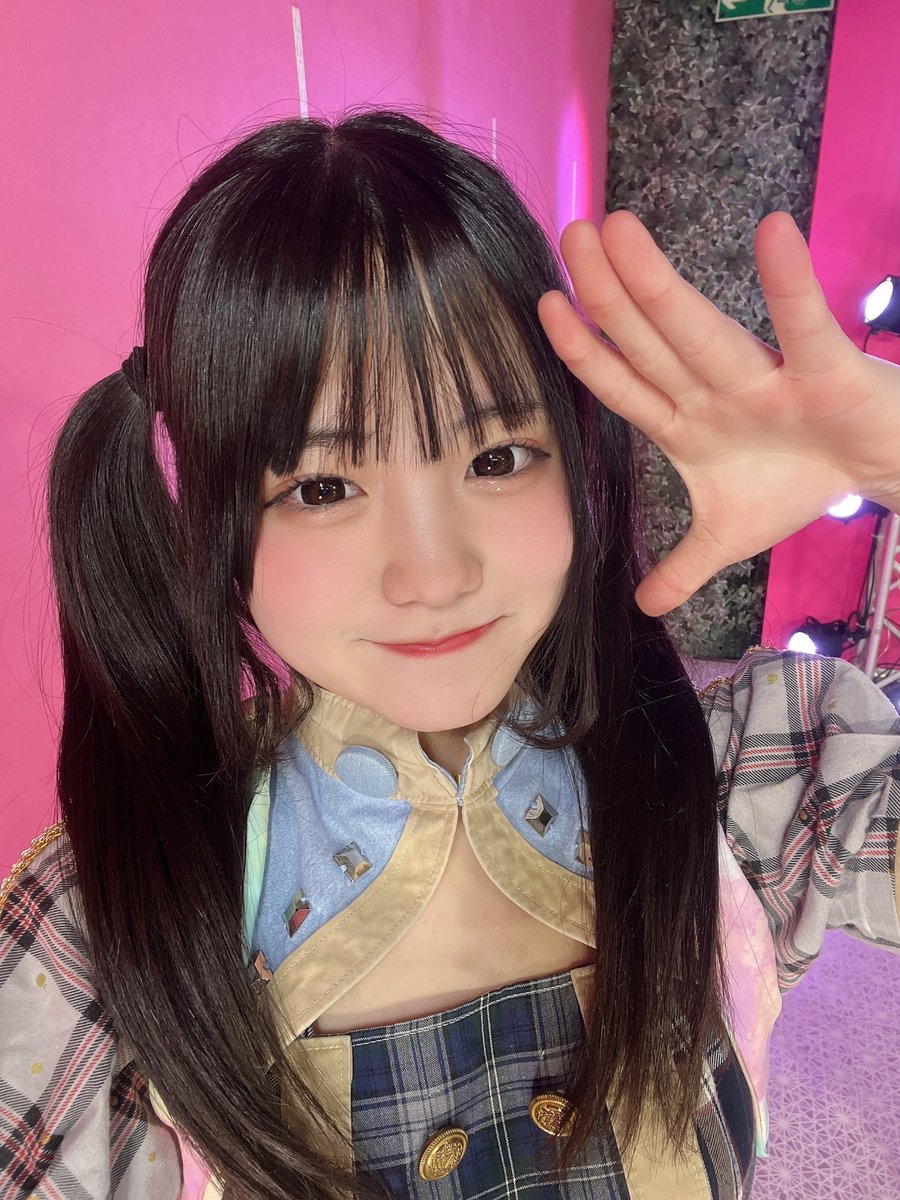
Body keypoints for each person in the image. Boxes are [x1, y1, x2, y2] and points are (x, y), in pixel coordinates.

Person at [0, 110, 897, 1200]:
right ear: (214, 525)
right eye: (323, 487)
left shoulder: (737, 769)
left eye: (498, 456)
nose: (433, 574)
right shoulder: (117, 918)